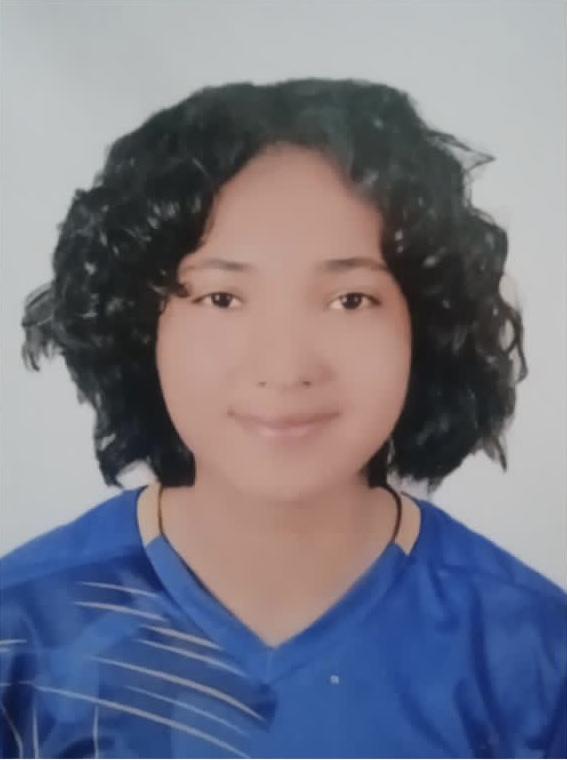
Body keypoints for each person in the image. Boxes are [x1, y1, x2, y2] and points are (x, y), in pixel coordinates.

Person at [1, 78, 565, 759]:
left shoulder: (532, 654)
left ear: (427, 326)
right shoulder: (21, 632)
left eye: (350, 299)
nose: (285, 366)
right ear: (139, 325)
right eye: (221, 298)